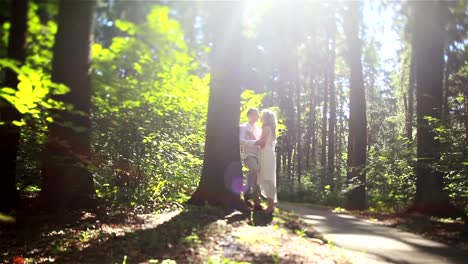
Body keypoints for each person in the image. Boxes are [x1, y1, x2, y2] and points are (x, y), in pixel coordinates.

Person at [239, 108, 263, 210]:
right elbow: (240, 141)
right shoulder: (243, 127)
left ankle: (256, 202)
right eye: (255, 114)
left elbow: (260, 142)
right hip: (248, 155)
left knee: (258, 177)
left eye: (258, 115)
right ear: (249, 115)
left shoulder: (259, 129)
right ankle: (247, 193)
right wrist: (253, 142)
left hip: (259, 155)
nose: (257, 117)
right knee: (254, 169)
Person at [255, 109, 278, 213]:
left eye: (262, 116)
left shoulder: (265, 128)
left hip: (264, 153)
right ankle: (271, 205)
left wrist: (252, 140)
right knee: (270, 178)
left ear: (266, 118)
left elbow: (262, 143)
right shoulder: (272, 129)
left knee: (266, 178)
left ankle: (270, 207)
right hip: (270, 153)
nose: (261, 118)